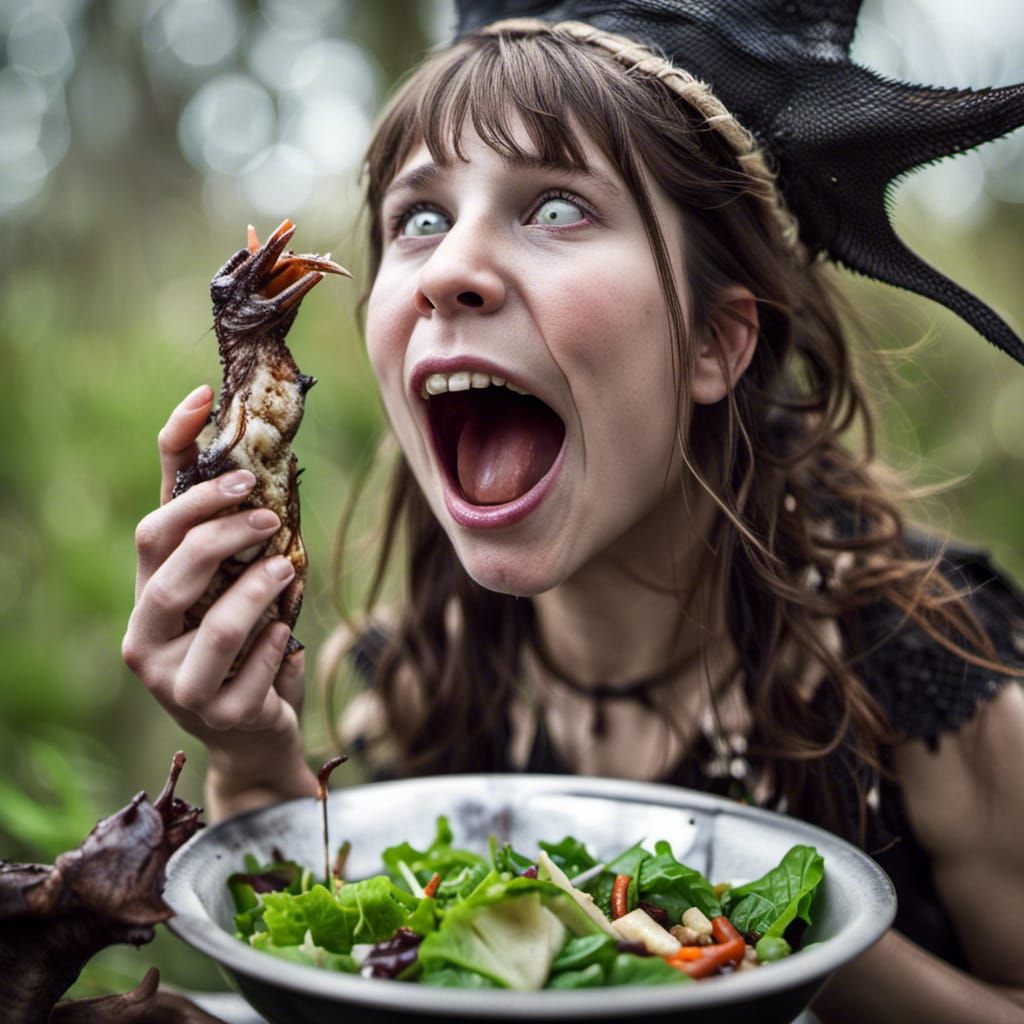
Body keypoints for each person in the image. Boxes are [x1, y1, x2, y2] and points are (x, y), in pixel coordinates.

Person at [122, 6, 1024, 1021]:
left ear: (714, 343)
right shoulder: (424, 669)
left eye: (555, 207)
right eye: (419, 217)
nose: (450, 269)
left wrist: (789, 927)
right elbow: (331, 968)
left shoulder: (923, 661)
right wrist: (250, 752)